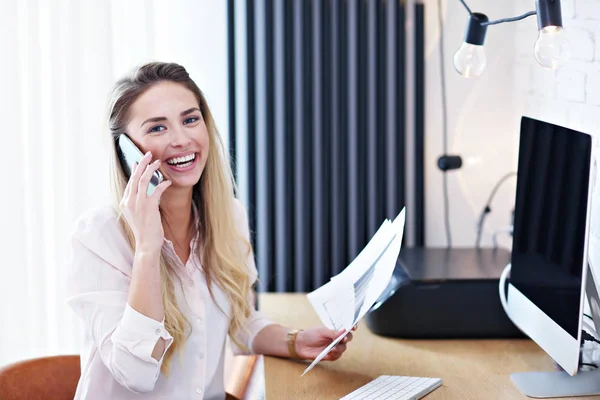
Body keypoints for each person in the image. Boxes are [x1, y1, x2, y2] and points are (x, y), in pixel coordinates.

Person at [66, 61, 354, 399]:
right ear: (128, 152)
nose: (182, 139)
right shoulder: (98, 237)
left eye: (190, 120)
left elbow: (238, 320)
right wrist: (147, 247)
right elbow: (136, 374)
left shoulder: (228, 216)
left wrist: (295, 341)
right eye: (157, 128)